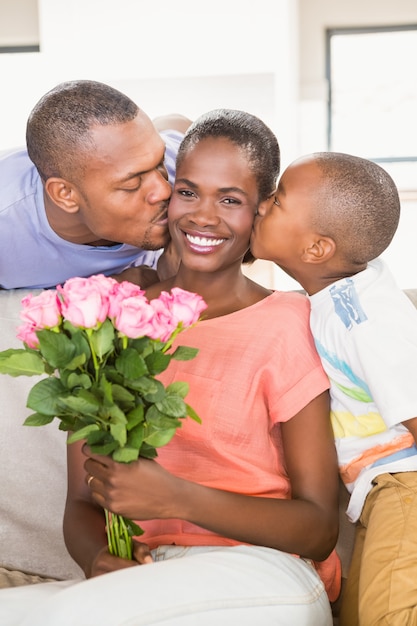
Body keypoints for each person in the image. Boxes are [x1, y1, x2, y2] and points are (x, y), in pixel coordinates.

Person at [0, 110, 340, 625]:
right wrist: (97, 558)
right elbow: (80, 504)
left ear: (261, 211)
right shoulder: (110, 322)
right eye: (188, 191)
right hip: (146, 579)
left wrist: (178, 497)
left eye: (231, 199)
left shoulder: (289, 321)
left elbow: (318, 527)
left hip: (264, 573)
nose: (203, 216)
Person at [250, 151, 417, 625]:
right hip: (380, 491)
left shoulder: (363, 319)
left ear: (318, 249)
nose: (262, 204)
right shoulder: (342, 295)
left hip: (407, 487)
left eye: (277, 199)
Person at [0, 79, 192, 290]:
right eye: (132, 183)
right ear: (65, 194)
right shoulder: (8, 229)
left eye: (159, 164)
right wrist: (120, 285)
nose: (165, 190)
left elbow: (179, 125)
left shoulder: (180, 164)